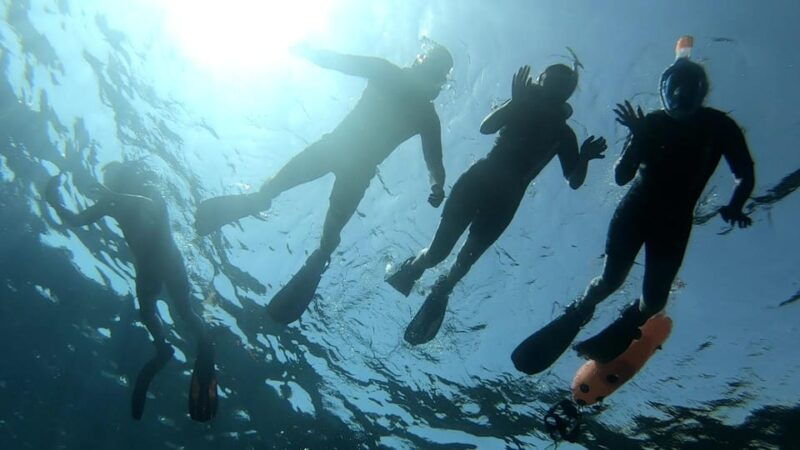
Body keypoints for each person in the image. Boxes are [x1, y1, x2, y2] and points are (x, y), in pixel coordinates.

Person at [511, 52, 756, 375]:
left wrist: (737, 203)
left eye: (690, 87)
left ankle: (630, 319)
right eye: (675, 87)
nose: (682, 95)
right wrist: (639, 137)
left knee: (654, 302)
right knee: (611, 281)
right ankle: (581, 309)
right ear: (664, 91)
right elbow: (621, 177)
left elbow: (744, 174)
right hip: (636, 212)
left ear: (702, 90)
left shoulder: (719, 126)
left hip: (673, 223)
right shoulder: (654, 123)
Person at [194, 42, 453, 325]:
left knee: (291, 204)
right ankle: (309, 245)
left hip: (335, 153)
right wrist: (437, 185)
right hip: (348, 162)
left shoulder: (402, 89)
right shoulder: (417, 105)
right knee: (320, 228)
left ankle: (276, 216)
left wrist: (307, 50)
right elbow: (434, 162)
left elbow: (337, 60)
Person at [386, 64, 607, 345]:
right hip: (478, 182)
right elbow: (486, 127)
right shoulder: (523, 104)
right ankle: (416, 266)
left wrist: (584, 158)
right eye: (551, 80)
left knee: (465, 261)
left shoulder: (564, 135)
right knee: (439, 254)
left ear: (566, 94)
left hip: (506, 200)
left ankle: (443, 288)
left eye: (562, 85)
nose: (554, 87)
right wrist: (515, 103)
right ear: (542, 81)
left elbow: (573, 181)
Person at [45, 161, 217, 421]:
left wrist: (113, 196)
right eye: (108, 176)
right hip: (146, 269)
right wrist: (54, 200)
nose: (109, 180)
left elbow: (150, 206)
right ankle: (162, 349)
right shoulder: (110, 202)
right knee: (147, 313)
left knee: (184, 311)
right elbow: (78, 220)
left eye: (113, 175)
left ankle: (204, 343)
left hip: (169, 261)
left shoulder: (147, 192)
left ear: (124, 177)